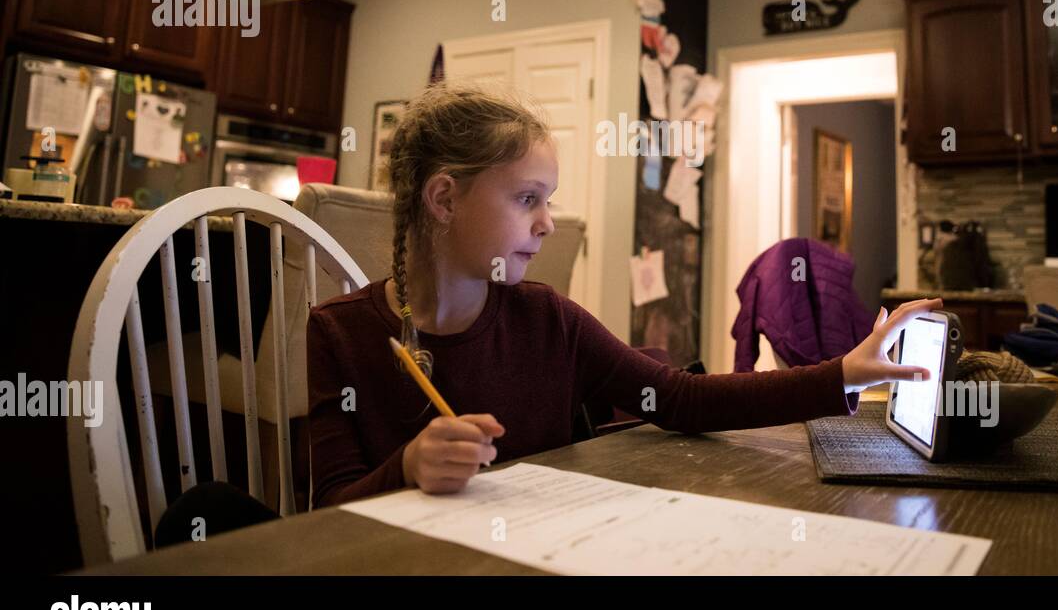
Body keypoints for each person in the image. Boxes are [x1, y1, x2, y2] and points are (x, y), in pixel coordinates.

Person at [307, 79, 938, 507]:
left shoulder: (549, 320)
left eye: (547, 201)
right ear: (444, 198)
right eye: (527, 198)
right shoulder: (339, 334)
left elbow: (683, 399)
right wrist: (407, 469)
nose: (547, 222)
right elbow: (325, 510)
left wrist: (843, 375)